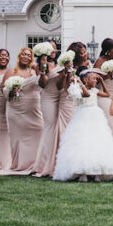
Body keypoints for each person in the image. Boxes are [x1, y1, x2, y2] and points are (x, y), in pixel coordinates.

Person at [53, 69, 113, 181]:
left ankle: (97, 171)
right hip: (83, 114)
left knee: (96, 141)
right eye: (93, 78)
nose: (95, 81)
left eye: (95, 79)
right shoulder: (77, 88)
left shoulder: (95, 89)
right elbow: (86, 94)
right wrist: (79, 83)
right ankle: (82, 171)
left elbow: (107, 94)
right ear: (85, 79)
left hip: (96, 115)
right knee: (83, 141)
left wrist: (101, 81)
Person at [0, 47, 43, 175]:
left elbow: (43, 83)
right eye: (23, 54)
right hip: (16, 109)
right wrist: (11, 91)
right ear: (19, 56)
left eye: (29, 55)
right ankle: (19, 164)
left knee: (39, 132)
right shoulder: (12, 71)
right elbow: (3, 88)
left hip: (34, 110)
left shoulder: (34, 72)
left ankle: (36, 163)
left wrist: (37, 67)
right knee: (18, 138)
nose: (26, 57)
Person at [31, 41, 65, 177]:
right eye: (51, 48)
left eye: (55, 49)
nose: (53, 51)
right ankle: (44, 164)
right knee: (50, 128)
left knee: (59, 128)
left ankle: (57, 162)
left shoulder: (59, 65)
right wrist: (44, 66)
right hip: (48, 98)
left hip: (61, 98)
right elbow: (43, 84)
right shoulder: (39, 65)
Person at [93, 38, 113, 135]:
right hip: (105, 96)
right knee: (110, 124)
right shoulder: (100, 61)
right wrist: (105, 76)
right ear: (108, 51)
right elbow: (93, 80)